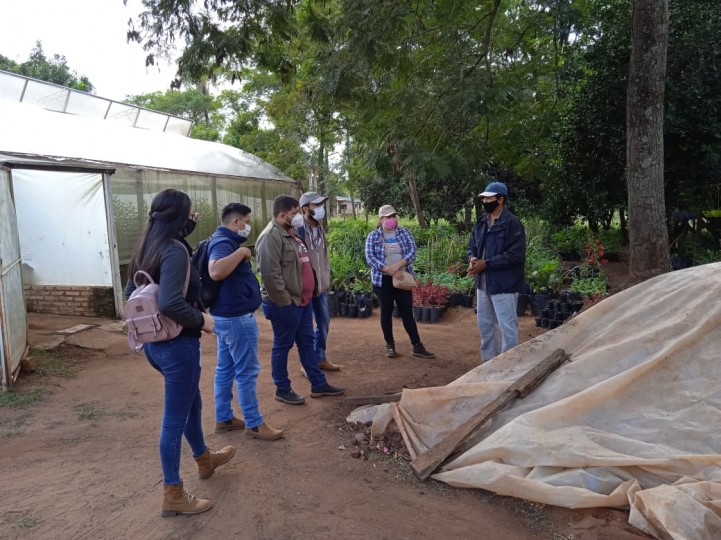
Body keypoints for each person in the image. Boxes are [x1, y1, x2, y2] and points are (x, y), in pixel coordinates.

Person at [125, 189, 235, 518]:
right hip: (177, 345)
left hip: (156, 346)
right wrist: (204, 321)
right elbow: (171, 302)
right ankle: (172, 493)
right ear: (178, 217)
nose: (193, 219)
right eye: (190, 213)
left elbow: (131, 294)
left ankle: (204, 459)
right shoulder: (173, 251)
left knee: (192, 403)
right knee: (174, 420)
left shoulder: (145, 247)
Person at [256, 195, 345, 405]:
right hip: (286, 304)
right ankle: (282, 388)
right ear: (282, 214)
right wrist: (286, 302)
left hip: (303, 301)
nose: (297, 217)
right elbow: (270, 275)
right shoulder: (270, 237)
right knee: (283, 345)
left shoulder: (292, 232)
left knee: (306, 342)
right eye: (295, 213)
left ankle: (318, 383)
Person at [207, 203, 283, 441]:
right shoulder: (223, 243)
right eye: (247, 221)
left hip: (225, 316)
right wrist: (241, 253)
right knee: (247, 371)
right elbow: (215, 272)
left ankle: (224, 417)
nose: (248, 226)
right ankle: (254, 423)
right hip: (236, 318)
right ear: (236, 222)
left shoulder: (221, 240)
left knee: (226, 368)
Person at [364, 205, 435, 359]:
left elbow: (412, 251)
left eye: (393, 216)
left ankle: (417, 345)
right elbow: (370, 257)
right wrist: (388, 269)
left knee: (407, 312)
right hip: (382, 280)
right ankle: (389, 344)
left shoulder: (404, 232)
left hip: (402, 277)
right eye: (388, 217)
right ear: (381, 219)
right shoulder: (373, 236)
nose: (391, 219)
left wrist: (397, 267)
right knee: (386, 312)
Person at [467, 182, 526, 362]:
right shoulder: (481, 222)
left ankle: (507, 366)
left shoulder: (512, 223)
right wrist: (473, 258)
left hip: (504, 284)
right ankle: (489, 364)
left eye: (488, 198)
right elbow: (471, 245)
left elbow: (515, 255)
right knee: (485, 326)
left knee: (507, 328)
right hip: (483, 284)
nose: (485, 201)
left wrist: (487, 263)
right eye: (483, 198)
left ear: (500, 199)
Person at [297, 191, 340, 377]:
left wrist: (326, 277)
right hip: (304, 287)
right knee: (305, 328)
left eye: (321, 205)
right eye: (316, 205)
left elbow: (324, 256)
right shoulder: (298, 230)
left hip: (320, 286)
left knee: (323, 322)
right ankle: (306, 364)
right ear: (305, 209)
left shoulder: (320, 229)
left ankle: (320, 357)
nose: (321, 209)